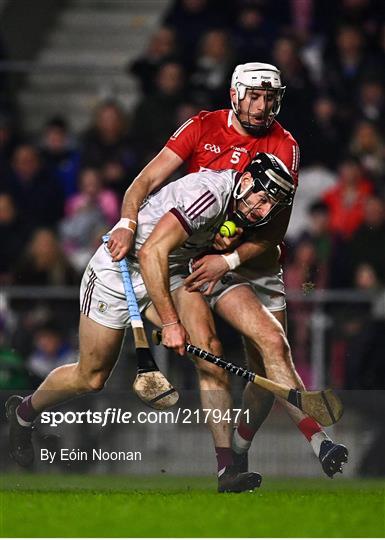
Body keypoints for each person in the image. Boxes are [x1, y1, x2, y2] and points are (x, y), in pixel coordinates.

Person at [106, 62, 348, 479]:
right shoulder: (200, 127)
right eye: (254, 95)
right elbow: (142, 183)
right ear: (235, 94)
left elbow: (273, 230)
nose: (261, 105)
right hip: (194, 258)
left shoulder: (285, 146)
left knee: (272, 353)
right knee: (211, 354)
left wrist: (229, 259)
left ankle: (239, 446)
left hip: (251, 261)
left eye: (270, 97)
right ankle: (237, 464)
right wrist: (128, 223)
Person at [6, 153, 294, 493]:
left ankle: (226, 469)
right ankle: (23, 413)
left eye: (269, 205)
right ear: (245, 181)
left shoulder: (241, 212)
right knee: (92, 376)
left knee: (208, 352)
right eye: (261, 197)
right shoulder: (210, 194)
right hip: (120, 270)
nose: (261, 209)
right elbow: (149, 253)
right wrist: (170, 323)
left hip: (170, 270)